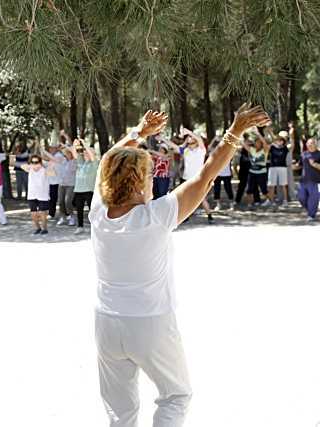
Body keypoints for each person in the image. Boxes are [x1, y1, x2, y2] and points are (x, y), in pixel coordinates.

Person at [90, 105, 270, 427]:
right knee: (176, 395)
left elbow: (108, 159)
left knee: (120, 409)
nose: (150, 183)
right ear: (134, 182)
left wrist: (138, 134)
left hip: (105, 321)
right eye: (147, 176)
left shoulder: (98, 212)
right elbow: (205, 176)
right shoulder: (155, 217)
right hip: (149, 321)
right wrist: (235, 131)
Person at [178, 127, 214, 223]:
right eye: (188, 139)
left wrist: (189, 132)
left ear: (195, 142)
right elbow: (178, 148)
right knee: (186, 198)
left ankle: (209, 215)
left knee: (202, 198)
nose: (189, 139)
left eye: (191, 139)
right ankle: (186, 217)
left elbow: (199, 139)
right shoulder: (185, 151)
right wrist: (163, 139)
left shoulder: (201, 150)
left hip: (198, 178)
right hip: (186, 178)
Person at [69, 138, 100, 234]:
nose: (85, 153)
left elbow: (91, 154)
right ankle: (80, 227)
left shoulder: (94, 163)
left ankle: (96, 227)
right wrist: (74, 145)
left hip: (89, 190)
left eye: (87, 152)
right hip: (78, 190)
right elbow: (74, 154)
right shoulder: (81, 162)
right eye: (84, 152)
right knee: (79, 210)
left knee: (93, 210)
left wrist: (84, 144)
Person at [15, 152, 50, 235]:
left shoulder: (44, 170)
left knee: (42, 213)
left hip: (42, 195)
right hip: (32, 195)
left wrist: (42, 164)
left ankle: (44, 229)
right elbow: (20, 165)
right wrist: (32, 165)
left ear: (40, 163)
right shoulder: (30, 169)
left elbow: (53, 172)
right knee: (33, 214)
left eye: (37, 162)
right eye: (33, 162)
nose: (35, 164)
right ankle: (38, 228)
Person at [262, 130, 290, 207]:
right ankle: (270, 201)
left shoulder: (285, 148)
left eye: (281, 140)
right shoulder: (272, 147)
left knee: (284, 185)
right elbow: (266, 146)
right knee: (271, 185)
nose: (279, 141)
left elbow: (290, 143)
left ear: (283, 141)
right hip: (272, 168)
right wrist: (268, 132)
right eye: (278, 140)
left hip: (282, 168)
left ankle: (285, 201)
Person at [241, 130, 269, 207]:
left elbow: (265, 143)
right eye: (256, 142)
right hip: (252, 172)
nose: (258, 143)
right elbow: (243, 143)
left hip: (261, 172)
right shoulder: (252, 150)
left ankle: (268, 200)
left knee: (264, 188)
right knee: (249, 189)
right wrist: (241, 133)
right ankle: (250, 203)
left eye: (259, 142)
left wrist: (258, 133)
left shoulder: (264, 151)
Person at [295, 138, 320, 221]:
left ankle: (311, 215)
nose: (309, 145)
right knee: (301, 197)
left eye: (312, 143)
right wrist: (294, 167)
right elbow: (299, 164)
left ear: (316, 144)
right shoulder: (304, 154)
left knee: (313, 198)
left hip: (315, 181)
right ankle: (310, 209)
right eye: (308, 143)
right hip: (303, 180)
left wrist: (314, 164)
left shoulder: (319, 154)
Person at [209, 138, 234, 210]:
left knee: (228, 189)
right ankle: (218, 205)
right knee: (217, 189)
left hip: (227, 174)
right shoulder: (215, 152)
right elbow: (209, 148)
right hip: (217, 174)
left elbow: (233, 146)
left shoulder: (228, 151)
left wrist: (227, 140)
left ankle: (231, 204)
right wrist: (214, 139)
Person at [56, 145, 77, 226]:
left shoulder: (75, 161)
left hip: (71, 185)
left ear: (71, 153)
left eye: (68, 153)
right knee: (61, 202)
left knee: (67, 201)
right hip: (61, 184)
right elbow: (52, 158)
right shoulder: (63, 160)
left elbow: (73, 150)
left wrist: (65, 145)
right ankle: (63, 217)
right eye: (65, 153)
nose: (66, 154)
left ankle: (72, 217)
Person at [233, 137, 252, 207]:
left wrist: (242, 141)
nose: (248, 143)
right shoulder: (241, 150)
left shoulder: (252, 149)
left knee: (251, 187)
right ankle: (237, 200)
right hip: (243, 172)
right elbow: (235, 147)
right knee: (241, 187)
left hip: (251, 171)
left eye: (249, 142)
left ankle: (252, 201)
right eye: (247, 141)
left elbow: (248, 149)